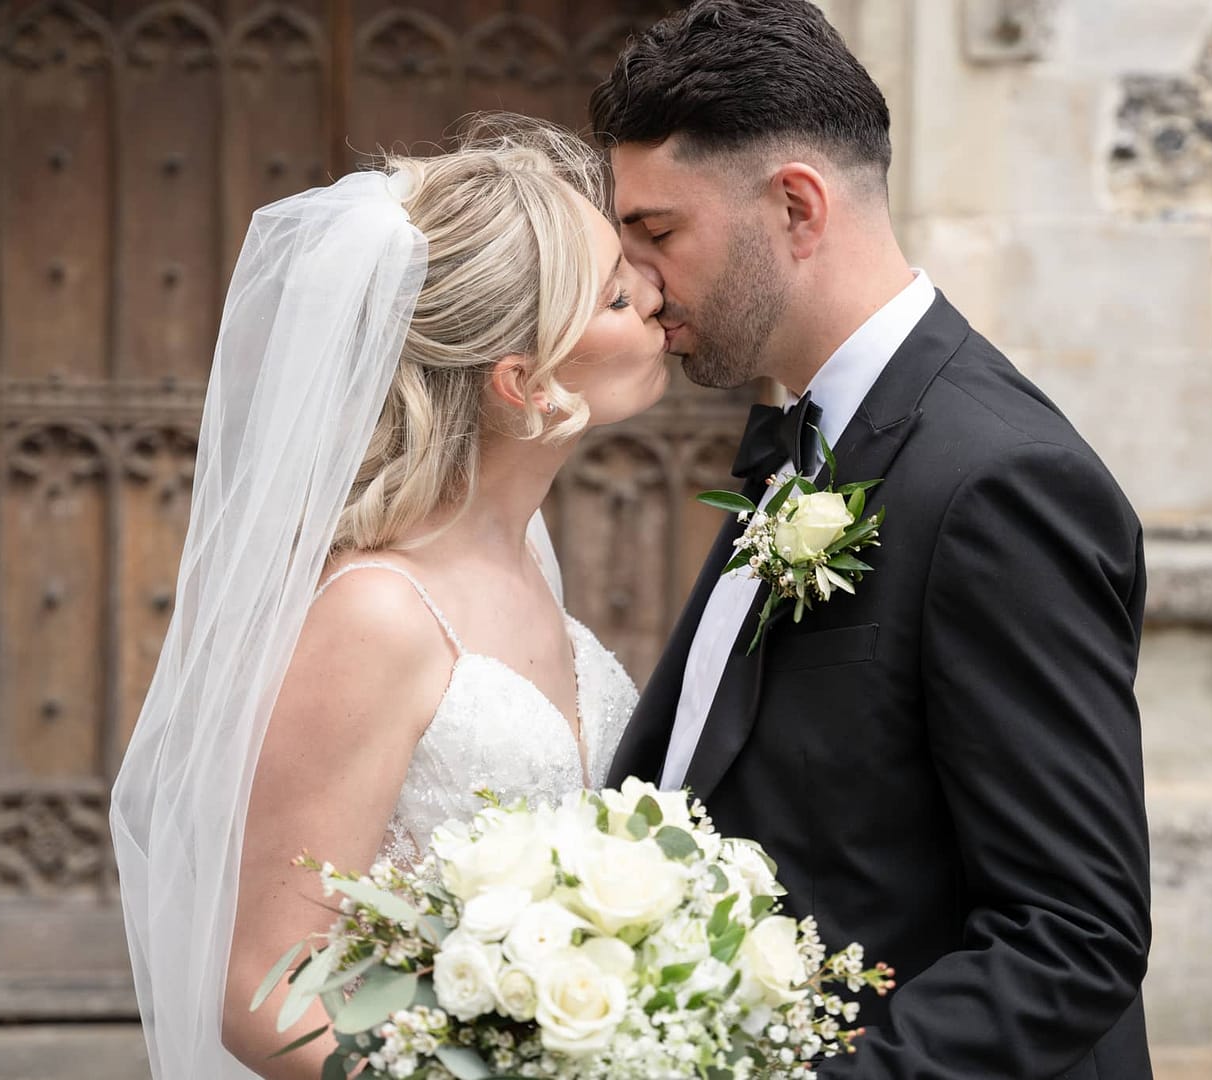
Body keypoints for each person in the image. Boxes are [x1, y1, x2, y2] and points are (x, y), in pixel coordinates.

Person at [592, 2, 1154, 1077]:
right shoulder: (810, 443)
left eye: (660, 233)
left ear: (796, 205)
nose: (646, 286)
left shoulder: (1000, 481)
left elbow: (1073, 938)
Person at [109, 117, 666, 1080]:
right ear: (523, 381)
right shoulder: (373, 615)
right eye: (619, 295)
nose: (660, 295)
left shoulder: (526, 562)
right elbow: (262, 989)